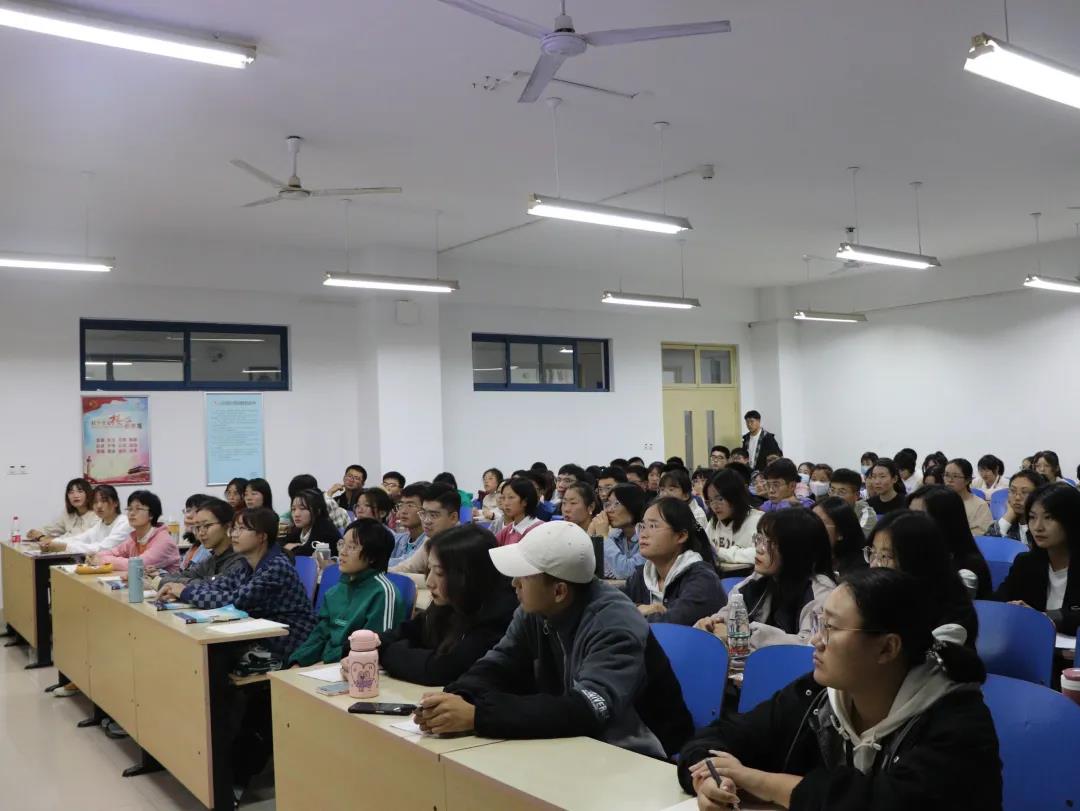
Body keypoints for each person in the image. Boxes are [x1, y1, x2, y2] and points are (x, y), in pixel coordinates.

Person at [678, 568, 1001, 811]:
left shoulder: (958, 722)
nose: (816, 640)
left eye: (831, 628)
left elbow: (888, 803)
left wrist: (759, 781)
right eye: (819, 625)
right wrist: (712, 779)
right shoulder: (819, 695)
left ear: (887, 648)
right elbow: (721, 736)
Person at [415, 522, 694, 759]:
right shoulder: (534, 609)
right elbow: (499, 662)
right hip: (579, 742)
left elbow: (587, 710)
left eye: (524, 577)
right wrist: (457, 697)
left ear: (559, 591)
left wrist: (478, 716)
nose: (514, 584)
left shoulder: (614, 623)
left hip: (639, 753)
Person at [380, 524, 518, 685]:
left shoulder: (499, 616)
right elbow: (410, 630)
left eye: (440, 573)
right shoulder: (450, 601)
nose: (429, 582)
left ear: (469, 575)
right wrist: (372, 644)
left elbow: (441, 669)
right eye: (429, 569)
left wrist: (387, 652)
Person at [178, 507, 316, 662]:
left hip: (288, 639)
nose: (234, 534)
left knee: (214, 653)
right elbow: (219, 586)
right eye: (234, 529)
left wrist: (185, 592)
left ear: (262, 536)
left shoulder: (276, 567)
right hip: (262, 632)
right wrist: (184, 589)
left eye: (242, 529)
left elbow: (236, 601)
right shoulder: (246, 563)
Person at [695, 509, 836, 650]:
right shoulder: (760, 578)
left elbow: (810, 645)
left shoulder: (820, 590)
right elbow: (731, 611)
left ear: (796, 550)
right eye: (759, 538)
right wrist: (712, 624)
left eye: (770, 543)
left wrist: (744, 633)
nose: (759, 549)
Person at [287, 518, 405, 666]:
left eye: (352, 547)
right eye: (342, 544)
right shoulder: (335, 591)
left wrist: (324, 662)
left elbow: (373, 649)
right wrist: (297, 662)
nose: (342, 552)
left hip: (354, 669)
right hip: (324, 667)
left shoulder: (383, 593)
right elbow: (319, 635)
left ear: (372, 556)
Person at [865, 510, 979, 644]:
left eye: (885, 556)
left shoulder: (951, 623)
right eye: (873, 552)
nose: (873, 565)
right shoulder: (880, 596)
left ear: (917, 562)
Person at [622, 497, 725, 626]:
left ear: (681, 536)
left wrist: (630, 615)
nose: (643, 534)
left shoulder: (702, 579)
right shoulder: (641, 576)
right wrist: (637, 608)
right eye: (642, 526)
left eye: (653, 526)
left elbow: (671, 625)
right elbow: (608, 608)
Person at [994, 483, 1080, 636]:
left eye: (1049, 517)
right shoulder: (1025, 563)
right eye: (1032, 517)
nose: (1038, 527)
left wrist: (1040, 617)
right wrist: (1011, 607)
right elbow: (999, 600)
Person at [907, 485, 993, 599]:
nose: (909, 523)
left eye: (919, 516)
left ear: (944, 520)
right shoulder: (911, 553)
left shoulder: (967, 568)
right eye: (909, 514)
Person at [157, 498, 245, 593]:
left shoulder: (240, 560)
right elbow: (169, 579)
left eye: (207, 526)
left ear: (227, 526)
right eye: (198, 527)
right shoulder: (211, 560)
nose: (201, 533)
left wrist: (183, 585)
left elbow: (213, 587)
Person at [93, 491, 180, 574]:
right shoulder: (135, 537)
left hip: (166, 584)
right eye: (130, 509)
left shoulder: (164, 541)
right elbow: (114, 552)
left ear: (151, 514)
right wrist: (96, 556)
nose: (131, 513)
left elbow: (136, 565)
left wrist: (103, 560)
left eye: (138, 509)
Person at [390, 483, 461, 574]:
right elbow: (409, 567)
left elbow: (444, 580)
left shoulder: (462, 544)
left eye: (433, 515)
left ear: (453, 518)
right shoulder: (432, 539)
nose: (426, 521)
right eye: (423, 513)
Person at [38, 484, 130, 555]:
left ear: (116, 503)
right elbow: (80, 538)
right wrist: (51, 543)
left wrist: (65, 547)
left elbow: (102, 548)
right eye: (95, 502)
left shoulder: (124, 523)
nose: (99, 506)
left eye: (104, 501)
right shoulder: (101, 524)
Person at [705, 470, 763, 574]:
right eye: (711, 500)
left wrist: (720, 552)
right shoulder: (713, 522)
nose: (715, 506)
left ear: (735, 496)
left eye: (720, 499)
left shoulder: (757, 520)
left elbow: (760, 553)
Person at [600, 483, 648, 578]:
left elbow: (626, 572)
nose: (609, 510)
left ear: (633, 505)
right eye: (608, 504)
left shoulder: (648, 536)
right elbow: (603, 571)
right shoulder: (616, 536)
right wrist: (592, 532)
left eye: (616, 504)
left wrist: (604, 537)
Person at [812, 496, 869, 578]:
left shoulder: (858, 572)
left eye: (819, 523)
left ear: (840, 532)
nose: (811, 527)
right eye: (810, 520)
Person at [26, 478, 98, 541]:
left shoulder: (97, 514)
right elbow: (54, 527)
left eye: (80, 491)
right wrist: (36, 532)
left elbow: (77, 538)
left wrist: (43, 538)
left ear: (88, 494)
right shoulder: (68, 513)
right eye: (71, 492)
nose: (75, 496)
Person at [986, 470, 1044, 542]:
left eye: (1024, 492)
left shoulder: (1044, 526)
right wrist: (1008, 516)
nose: (1017, 497)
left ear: (1039, 496)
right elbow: (987, 544)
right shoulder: (1007, 522)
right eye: (1013, 491)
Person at [281, 489, 341, 558]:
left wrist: (291, 547)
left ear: (317, 511)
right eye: (293, 509)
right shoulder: (301, 527)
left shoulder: (324, 527)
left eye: (302, 508)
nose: (296, 514)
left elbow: (306, 552)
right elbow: (278, 544)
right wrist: (287, 546)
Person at [942, 458, 993, 535]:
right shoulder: (939, 501)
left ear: (968, 480)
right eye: (946, 475)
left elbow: (981, 535)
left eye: (955, 476)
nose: (949, 480)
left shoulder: (980, 505)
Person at [494, 478, 543, 546]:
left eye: (511, 497)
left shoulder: (539, 529)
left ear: (525, 501)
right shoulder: (509, 529)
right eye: (503, 498)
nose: (506, 503)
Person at [389, 482, 428, 568]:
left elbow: (408, 564)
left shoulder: (429, 541)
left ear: (426, 509)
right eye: (401, 505)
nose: (403, 511)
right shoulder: (399, 538)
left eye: (410, 505)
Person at [828, 468, 877, 535]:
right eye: (832, 490)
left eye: (841, 492)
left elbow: (858, 539)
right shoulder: (824, 510)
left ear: (856, 495)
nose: (835, 496)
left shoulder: (866, 514)